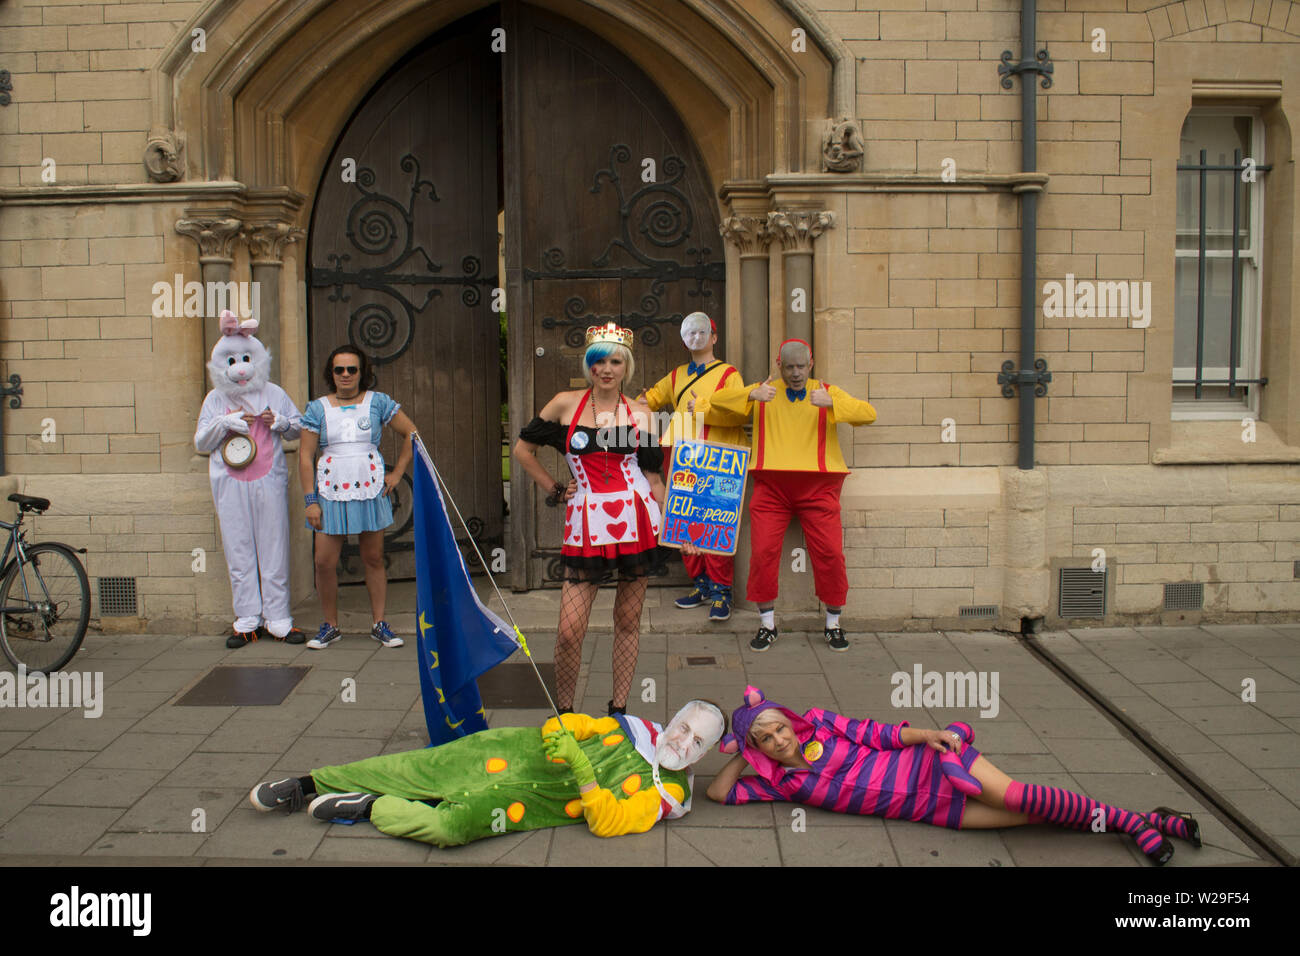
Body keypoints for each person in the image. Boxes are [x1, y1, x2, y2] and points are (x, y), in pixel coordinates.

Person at [706, 686, 1202, 866]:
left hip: (932, 765)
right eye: (765, 740)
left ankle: (1137, 826)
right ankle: (1144, 820)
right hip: (931, 810)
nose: (779, 740)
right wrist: (741, 753)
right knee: (1030, 819)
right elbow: (718, 793)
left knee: (1024, 797)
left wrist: (929, 736)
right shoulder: (776, 782)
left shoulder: (823, 724)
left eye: (778, 727)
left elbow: (879, 733)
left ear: (790, 719)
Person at [249, 700, 727, 847]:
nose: (682, 743)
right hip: (505, 752)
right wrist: (561, 729)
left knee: (448, 827)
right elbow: (575, 725)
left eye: (697, 743)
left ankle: (371, 807)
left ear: (702, 758)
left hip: (522, 806)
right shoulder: (636, 728)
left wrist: (582, 767)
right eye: (683, 727)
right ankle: (306, 785)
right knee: (409, 767)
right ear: (673, 718)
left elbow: (605, 822)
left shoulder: (669, 795)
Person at [512, 322, 666, 716]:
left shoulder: (642, 415)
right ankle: (565, 714)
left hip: (636, 517)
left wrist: (677, 524)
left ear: (626, 367)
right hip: (585, 521)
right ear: (589, 366)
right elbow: (523, 450)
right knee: (568, 632)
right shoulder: (564, 404)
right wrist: (555, 489)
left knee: (628, 622)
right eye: (599, 362)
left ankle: (619, 711)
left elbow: (652, 476)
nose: (607, 369)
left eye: (615, 361)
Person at [692, 338, 876, 652]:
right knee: (763, 553)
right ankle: (767, 624)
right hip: (772, 487)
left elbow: (868, 414)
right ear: (780, 365)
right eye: (789, 366)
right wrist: (751, 392)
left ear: (811, 364)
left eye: (801, 366)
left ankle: (833, 624)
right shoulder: (766, 391)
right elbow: (721, 401)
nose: (795, 373)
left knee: (830, 554)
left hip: (819, 487)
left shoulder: (827, 391)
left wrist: (833, 404)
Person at [194, 310, 305, 648]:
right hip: (229, 482)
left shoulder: (274, 392)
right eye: (233, 360)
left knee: (274, 544)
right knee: (238, 546)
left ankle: (278, 618)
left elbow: (300, 427)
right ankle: (246, 619)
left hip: (268, 478)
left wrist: (280, 421)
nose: (240, 367)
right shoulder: (215, 399)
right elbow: (200, 442)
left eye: (246, 358)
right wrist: (224, 423)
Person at [298, 345, 417, 650]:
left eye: (353, 369)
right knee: (324, 561)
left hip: (369, 489)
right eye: (340, 370)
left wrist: (397, 474)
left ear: (362, 372)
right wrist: (310, 500)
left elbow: (411, 434)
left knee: (373, 558)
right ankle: (330, 625)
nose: (346, 375)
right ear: (332, 374)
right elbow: (305, 455)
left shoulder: (379, 403)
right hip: (329, 492)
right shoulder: (317, 408)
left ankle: (379, 623)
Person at [636, 311, 748, 621]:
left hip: (718, 457)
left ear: (714, 337)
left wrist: (702, 408)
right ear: (685, 339)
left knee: (716, 522)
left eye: (703, 332)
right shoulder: (676, 375)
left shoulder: (729, 375)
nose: (697, 338)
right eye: (691, 333)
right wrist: (626, 405)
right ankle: (699, 583)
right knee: (684, 520)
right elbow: (651, 400)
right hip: (681, 454)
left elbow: (738, 414)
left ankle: (721, 591)